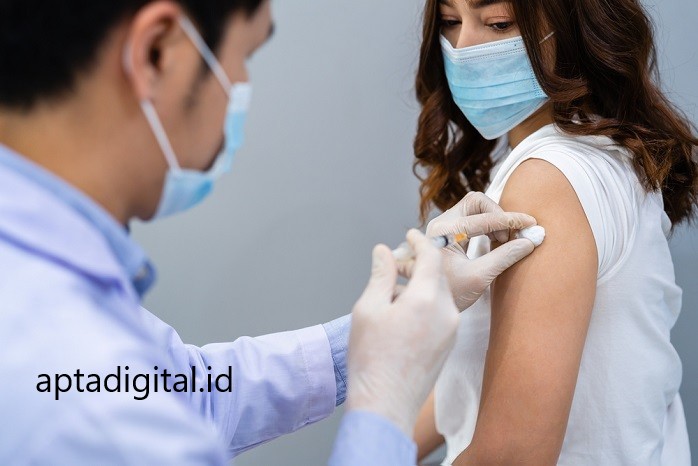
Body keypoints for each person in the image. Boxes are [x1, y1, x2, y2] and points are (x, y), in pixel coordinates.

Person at [0, 1, 539, 464]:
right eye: (242, 57)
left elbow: (191, 391)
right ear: (157, 52)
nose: (240, 88)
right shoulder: (79, 391)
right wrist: (383, 408)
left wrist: (371, 340)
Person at [412, 0, 698, 464]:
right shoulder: (580, 153)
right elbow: (475, 375)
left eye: (498, 23)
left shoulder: (548, 180)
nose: (463, 47)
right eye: (449, 21)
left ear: (573, 23)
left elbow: (513, 455)